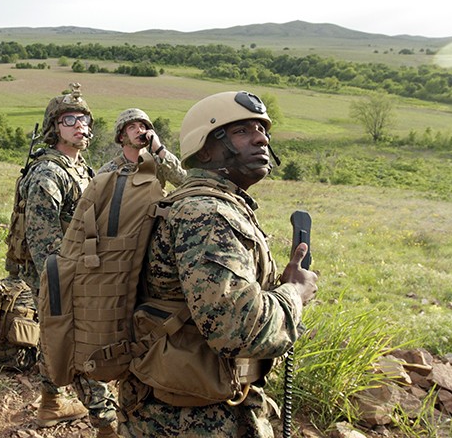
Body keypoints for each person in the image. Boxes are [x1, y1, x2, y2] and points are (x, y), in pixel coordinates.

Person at [117, 91, 319, 437]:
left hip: (196, 404)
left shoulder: (215, 205)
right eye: (241, 131)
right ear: (205, 149)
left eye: (262, 130)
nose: (261, 139)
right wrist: (294, 294)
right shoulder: (209, 215)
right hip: (189, 419)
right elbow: (238, 330)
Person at [17, 83, 119, 437]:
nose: (81, 126)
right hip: (58, 274)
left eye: (85, 120)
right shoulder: (49, 173)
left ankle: (50, 404)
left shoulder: (78, 168)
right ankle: (106, 424)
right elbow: (43, 242)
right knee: (81, 343)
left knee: (54, 337)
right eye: (69, 119)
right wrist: (71, 284)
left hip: (74, 270)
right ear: (54, 127)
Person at [97, 108, 186, 187]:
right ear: (121, 137)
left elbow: (184, 181)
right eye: (132, 127)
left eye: (142, 126)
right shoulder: (109, 171)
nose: (139, 130)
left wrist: (159, 149)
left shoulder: (159, 163)